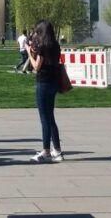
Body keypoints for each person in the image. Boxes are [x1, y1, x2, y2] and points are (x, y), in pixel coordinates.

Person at [27, 20, 64, 163]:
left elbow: (36, 66)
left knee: (44, 118)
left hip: (43, 82)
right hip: (54, 82)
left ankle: (46, 150)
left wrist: (30, 53)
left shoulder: (43, 46)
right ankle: (57, 150)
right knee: (50, 117)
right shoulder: (55, 45)